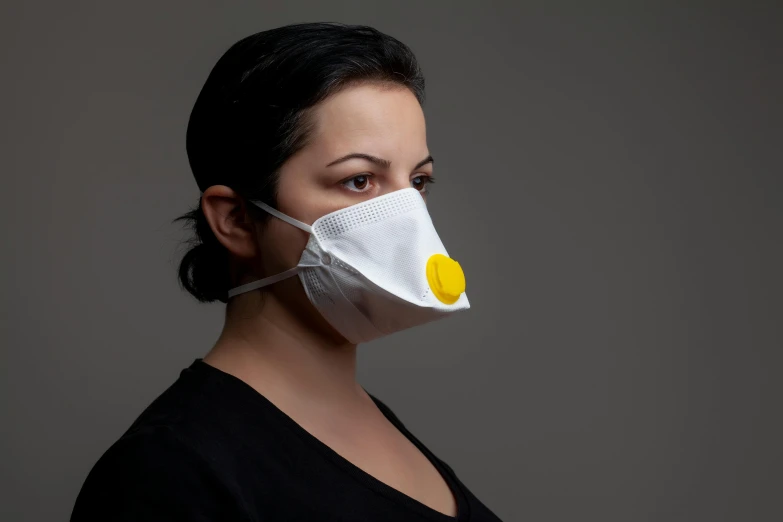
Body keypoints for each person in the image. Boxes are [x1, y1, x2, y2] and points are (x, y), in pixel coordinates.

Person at [71, 22, 502, 522]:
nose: (406, 217)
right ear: (235, 220)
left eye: (418, 181)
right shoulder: (170, 470)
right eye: (359, 180)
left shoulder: (375, 422)